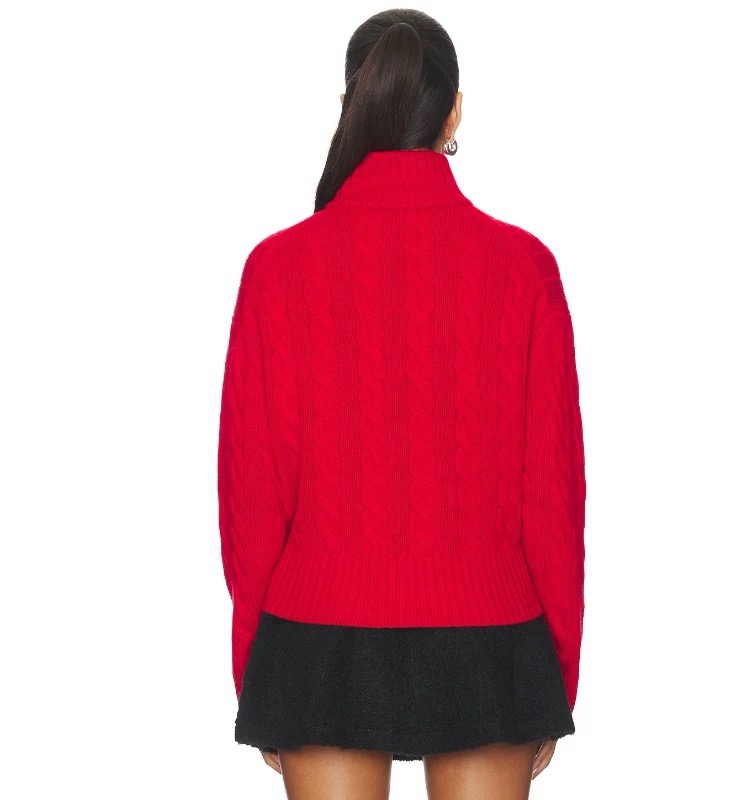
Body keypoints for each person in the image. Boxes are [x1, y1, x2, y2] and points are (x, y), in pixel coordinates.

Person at [217, 8, 586, 799]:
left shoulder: (277, 269)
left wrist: (259, 669)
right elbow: (553, 500)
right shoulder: (523, 268)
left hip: (316, 636)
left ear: (349, 104)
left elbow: (252, 499)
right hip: (491, 634)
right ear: (455, 112)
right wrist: (554, 676)